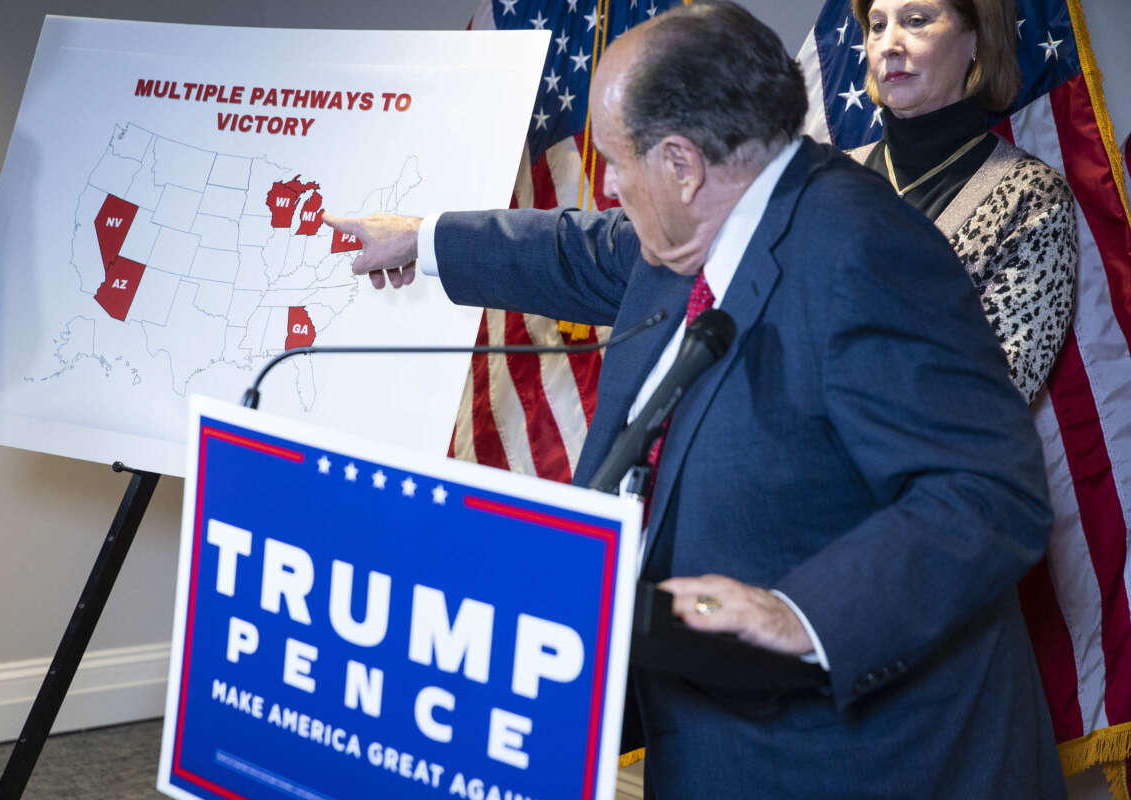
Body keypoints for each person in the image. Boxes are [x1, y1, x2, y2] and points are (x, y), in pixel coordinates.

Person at [323, 2, 1065, 796]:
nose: (608, 184)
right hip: (708, 726)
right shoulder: (702, 222)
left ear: (681, 163)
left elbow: (989, 492)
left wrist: (798, 615)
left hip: (862, 758)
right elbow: (582, 248)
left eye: (617, 161)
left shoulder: (867, 254)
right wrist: (424, 238)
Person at [851, 0, 1077, 401]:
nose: (889, 44)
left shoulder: (1030, 199)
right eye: (877, 25)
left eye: (915, 21)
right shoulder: (825, 181)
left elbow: (988, 399)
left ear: (976, 41)